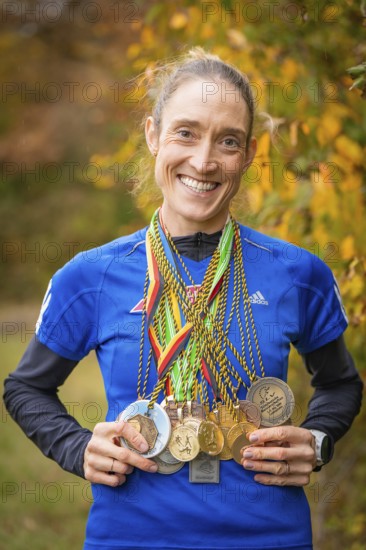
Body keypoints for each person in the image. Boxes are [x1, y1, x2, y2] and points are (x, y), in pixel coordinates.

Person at [3, 48, 363, 550]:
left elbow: (341, 385)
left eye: (228, 141)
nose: (204, 160)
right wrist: (76, 447)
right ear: (153, 135)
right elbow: (25, 389)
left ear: (250, 154)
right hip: (130, 538)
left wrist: (317, 441)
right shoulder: (90, 276)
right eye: (186, 132)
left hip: (270, 537)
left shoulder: (299, 273)